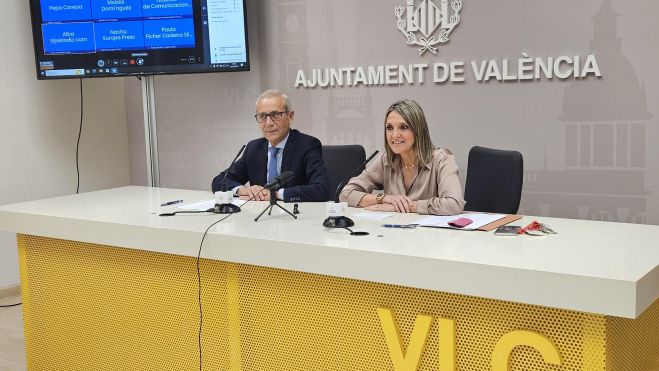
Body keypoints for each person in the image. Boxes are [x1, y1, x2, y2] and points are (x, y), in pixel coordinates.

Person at [339, 99, 464, 215]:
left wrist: (401, 206)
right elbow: (345, 194)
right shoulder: (386, 159)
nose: (394, 135)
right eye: (389, 128)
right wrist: (384, 199)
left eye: (403, 127)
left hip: (431, 236)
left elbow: (453, 204)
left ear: (418, 131)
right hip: (393, 235)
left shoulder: (443, 160)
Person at [212, 89, 329, 202]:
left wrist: (275, 194)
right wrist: (242, 190)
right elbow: (219, 181)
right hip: (259, 215)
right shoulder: (254, 148)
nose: (268, 123)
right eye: (262, 116)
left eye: (276, 115)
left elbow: (321, 189)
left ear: (290, 116)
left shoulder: (307, 145)